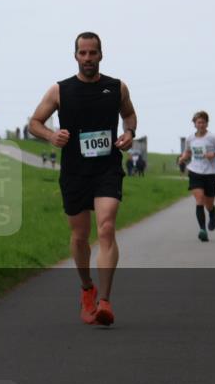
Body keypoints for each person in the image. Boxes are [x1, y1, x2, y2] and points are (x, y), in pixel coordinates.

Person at [28, 32, 136, 326]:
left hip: (107, 168)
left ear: (101, 54)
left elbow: (129, 115)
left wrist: (129, 133)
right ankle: (87, 288)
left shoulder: (117, 87)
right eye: (83, 53)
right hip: (74, 172)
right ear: (75, 56)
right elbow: (34, 123)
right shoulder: (60, 90)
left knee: (106, 227)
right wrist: (51, 135)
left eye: (93, 53)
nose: (88, 58)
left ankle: (105, 302)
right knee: (79, 236)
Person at [177, 111, 215, 242]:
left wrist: (214, 154)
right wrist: (183, 158)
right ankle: (202, 230)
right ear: (194, 124)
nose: (201, 125)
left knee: (209, 203)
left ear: (207, 123)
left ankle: (212, 213)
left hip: (211, 173)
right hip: (195, 172)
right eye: (198, 122)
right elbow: (188, 152)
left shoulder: (214, 138)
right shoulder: (190, 139)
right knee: (199, 199)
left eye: (203, 122)